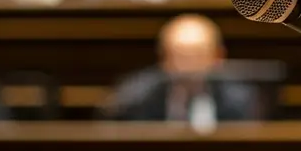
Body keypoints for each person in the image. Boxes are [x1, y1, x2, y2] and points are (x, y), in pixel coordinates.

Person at [103, 14, 260, 123]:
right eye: (180, 57)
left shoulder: (242, 100)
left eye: (197, 56)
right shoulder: (135, 98)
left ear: (218, 57)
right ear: (164, 58)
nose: (188, 67)